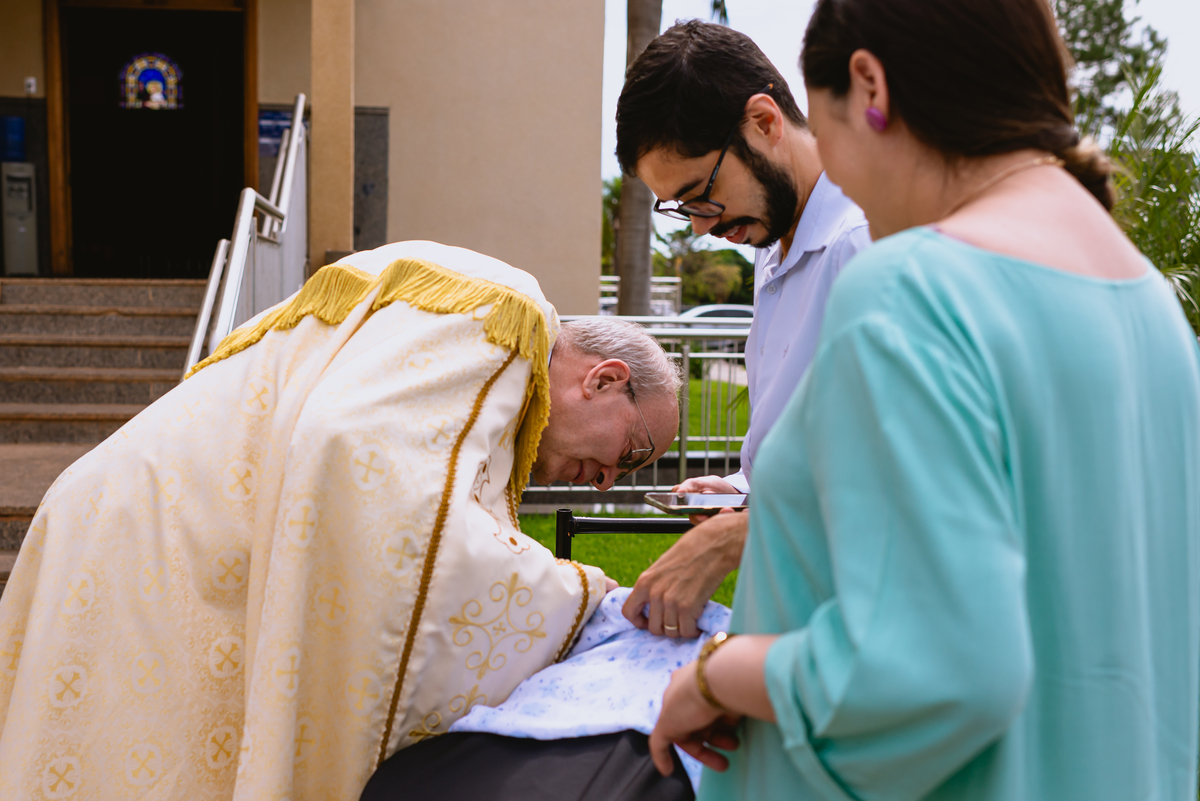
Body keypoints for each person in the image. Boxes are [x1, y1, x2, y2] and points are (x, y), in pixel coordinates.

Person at [650, 0, 1200, 798]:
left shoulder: (911, 290)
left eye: (826, 135)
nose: (832, 176)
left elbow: (934, 666)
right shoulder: (1149, 303)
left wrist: (715, 674)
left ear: (870, 84)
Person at [0, 241, 680, 801]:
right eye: (632, 452)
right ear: (604, 378)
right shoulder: (511, 312)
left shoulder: (475, 352)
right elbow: (361, 462)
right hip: (165, 541)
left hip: (133, 515)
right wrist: (581, 600)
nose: (607, 479)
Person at [614, 21, 871, 638]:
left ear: (764, 122)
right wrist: (737, 490)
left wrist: (742, 531)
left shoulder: (861, 246)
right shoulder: (772, 244)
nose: (700, 227)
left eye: (700, 194)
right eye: (679, 209)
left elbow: (904, 483)